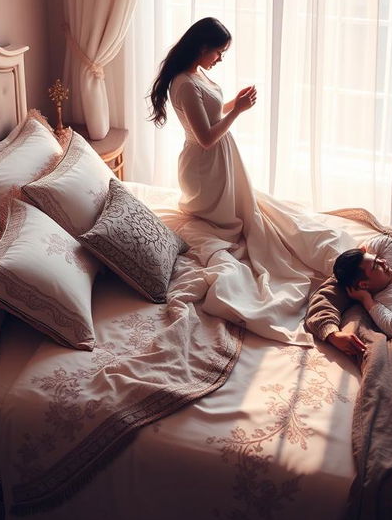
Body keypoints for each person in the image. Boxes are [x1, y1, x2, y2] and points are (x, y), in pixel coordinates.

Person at [149, 18, 357, 345]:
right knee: (232, 219)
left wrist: (233, 102)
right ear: (203, 48)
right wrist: (238, 111)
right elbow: (205, 137)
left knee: (249, 209)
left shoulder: (197, 74)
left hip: (220, 159)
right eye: (218, 52)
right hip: (205, 164)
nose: (219, 59)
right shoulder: (185, 83)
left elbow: (211, 113)